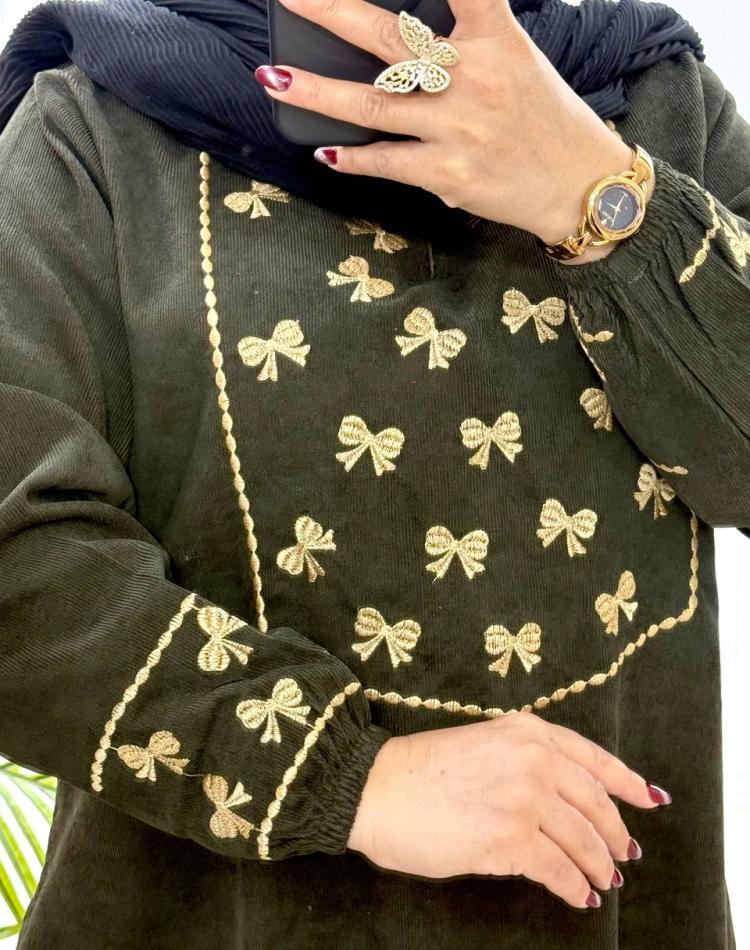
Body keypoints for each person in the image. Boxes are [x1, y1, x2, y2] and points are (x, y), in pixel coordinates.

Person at [0, 0, 747, 946]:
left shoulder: (653, 102)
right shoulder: (94, 133)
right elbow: (19, 551)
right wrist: (351, 778)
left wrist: (598, 195)